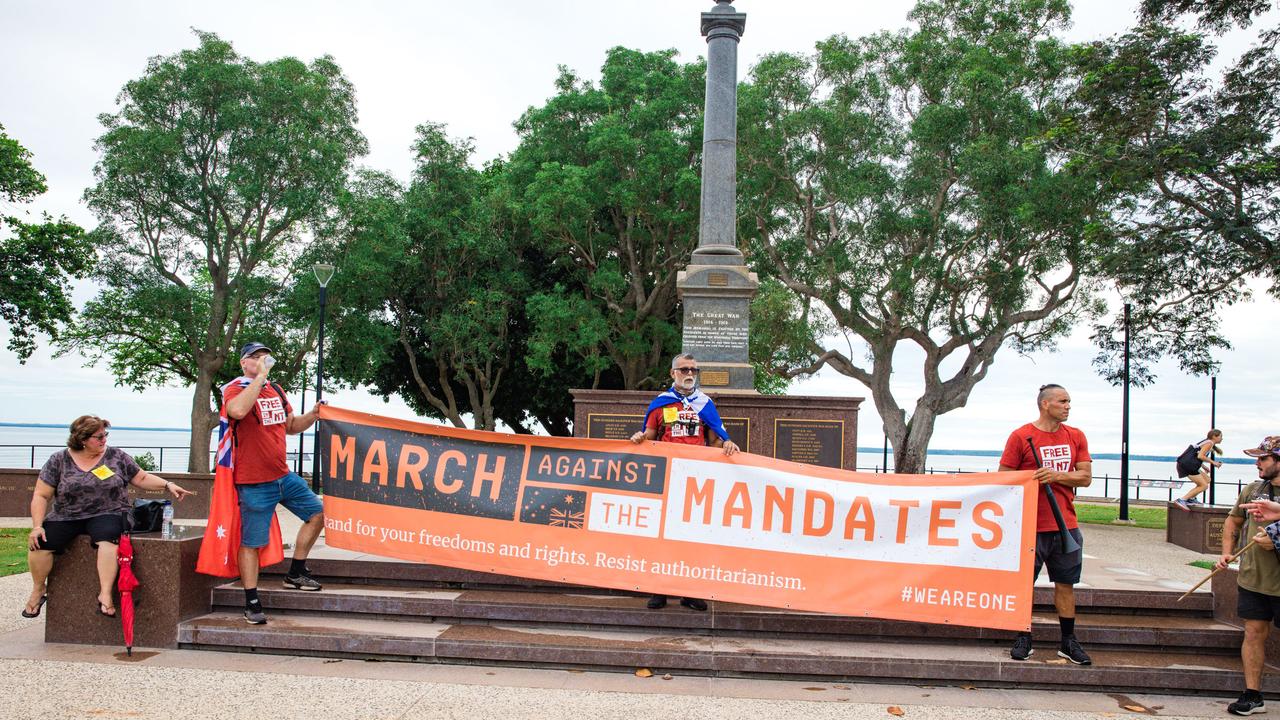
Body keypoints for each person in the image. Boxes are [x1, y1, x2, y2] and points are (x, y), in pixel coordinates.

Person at [24, 415, 192, 619]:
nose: (104, 440)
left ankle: (105, 594)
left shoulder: (116, 456)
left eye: (105, 435)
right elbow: (41, 495)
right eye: (99, 437)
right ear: (82, 439)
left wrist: (168, 485)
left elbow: (141, 477)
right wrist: (37, 525)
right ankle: (39, 589)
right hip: (66, 515)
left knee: (109, 535)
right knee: (41, 542)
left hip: (108, 511)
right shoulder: (58, 460)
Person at [224, 341, 326, 625]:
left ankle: (296, 572)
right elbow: (238, 412)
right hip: (254, 481)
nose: (262, 360)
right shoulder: (235, 388)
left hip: (283, 475)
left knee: (317, 515)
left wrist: (313, 415)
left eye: (265, 356)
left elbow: (291, 426)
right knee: (252, 542)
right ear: (244, 363)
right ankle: (251, 600)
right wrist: (258, 378)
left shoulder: (276, 390)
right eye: (255, 357)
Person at [629, 353, 739, 611]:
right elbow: (650, 434)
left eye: (693, 370)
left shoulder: (704, 404)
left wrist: (727, 442)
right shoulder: (660, 404)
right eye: (683, 370)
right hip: (666, 477)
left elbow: (714, 439)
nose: (689, 374)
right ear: (673, 374)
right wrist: (639, 437)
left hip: (695, 481)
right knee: (662, 535)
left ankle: (690, 592)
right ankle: (659, 590)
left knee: (691, 537)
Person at [998, 383, 1093, 666]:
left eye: (1069, 402)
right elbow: (1005, 477)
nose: (1068, 406)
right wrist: (1031, 478)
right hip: (1030, 525)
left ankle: (1068, 640)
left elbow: (1085, 476)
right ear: (1045, 404)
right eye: (1063, 401)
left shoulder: (1075, 436)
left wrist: (1056, 476)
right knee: (1024, 584)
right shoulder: (1021, 436)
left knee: (1065, 584)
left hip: (1066, 524)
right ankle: (1023, 636)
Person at [1219, 435, 1280, 716]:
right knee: (1253, 633)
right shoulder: (1254, 490)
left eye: (1263, 458)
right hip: (1254, 579)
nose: (1257, 462)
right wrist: (1227, 551)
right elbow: (1234, 519)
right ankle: (1253, 695)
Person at [1174, 429, 1223, 510]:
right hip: (1187, 465)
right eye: (1221, 436)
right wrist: (1214, 463)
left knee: (1207, 479)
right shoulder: (1209, 443)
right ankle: (1182, 500)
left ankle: (1191, 499)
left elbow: (1196, 454)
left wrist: (1203, 466)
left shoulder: (1207, 442)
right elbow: (1200, 456)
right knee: (1204, 486)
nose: (1222, 438)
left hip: (1188, 464)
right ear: (1214, 436)